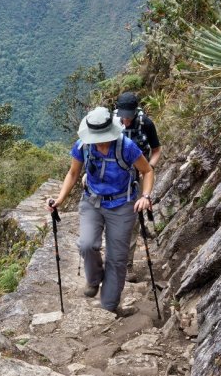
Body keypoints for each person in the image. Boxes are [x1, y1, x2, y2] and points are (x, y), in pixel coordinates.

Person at [47, 107, 153, 315]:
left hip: (122, 204)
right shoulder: (83, 146)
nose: (99, 142)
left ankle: (109, 306)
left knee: (117, 258)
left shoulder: (126, 147)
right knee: (87, 244)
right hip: (92, 201)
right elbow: (73, 173)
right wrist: (60, 199)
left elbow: (147, 170)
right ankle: (94, 278)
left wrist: (146, 196)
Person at [115, 92, 162, 282]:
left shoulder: (146, 124)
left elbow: (156, 150)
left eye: (129, 116)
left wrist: (149, 168)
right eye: (123, 116)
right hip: (117, 175)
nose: (125, 120)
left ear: (135, 112)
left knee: (134, 219)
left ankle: (127, 264)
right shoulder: (112, 122)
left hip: (139, 173)